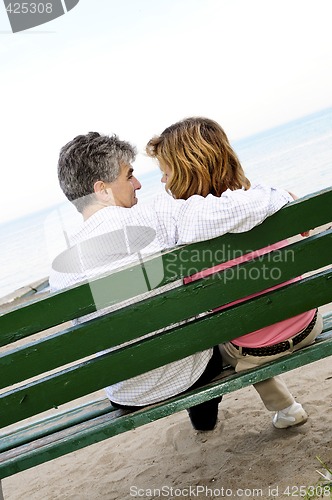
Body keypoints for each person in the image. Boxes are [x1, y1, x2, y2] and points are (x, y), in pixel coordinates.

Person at [49, 131, 293, 431]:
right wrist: (280, 195)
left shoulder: (59, 269)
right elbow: (236, 209)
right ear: (102, 190)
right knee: (204, 328)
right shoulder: (155, 215)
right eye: (129, 176)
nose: (137, 184)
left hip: (127, 393)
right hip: (193, 371)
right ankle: (206, 419)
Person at [146, 116, 323, 429]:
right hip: (308, 322)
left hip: (252, 350)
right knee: (250, 315)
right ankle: (284, 407)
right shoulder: (267, 204)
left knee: (225, 333)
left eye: (165, 172)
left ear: (186, 170)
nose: (163, 181)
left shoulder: (184, 234)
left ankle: (284, 407)